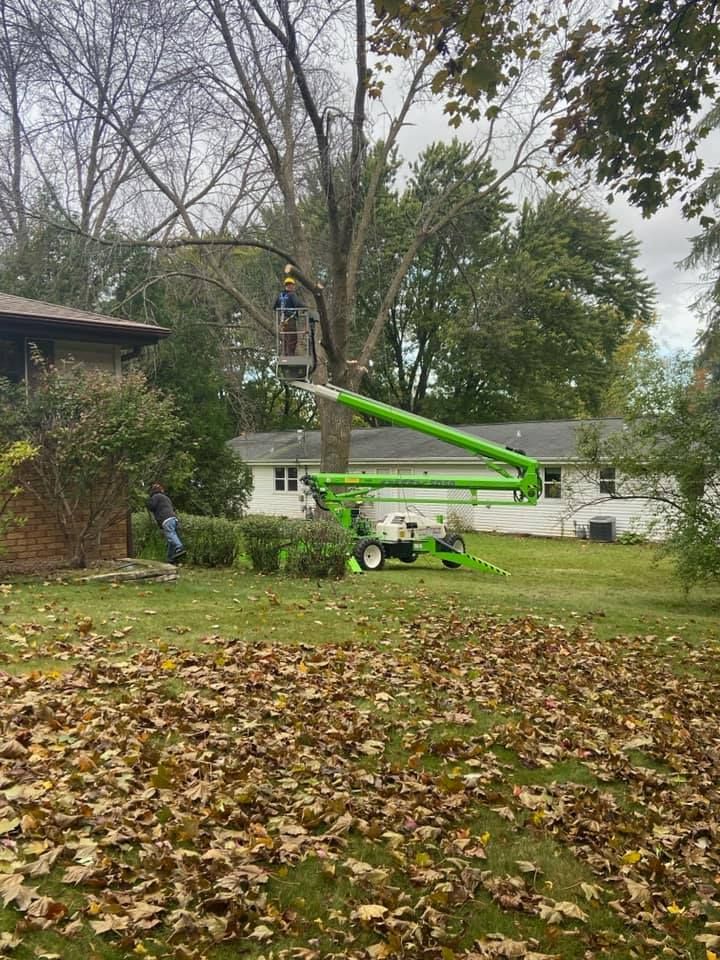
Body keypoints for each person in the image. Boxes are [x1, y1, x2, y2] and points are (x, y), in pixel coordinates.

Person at [147, 483, 186, 564]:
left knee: (171, 535)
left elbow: (152, 507)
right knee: (170, 540)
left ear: (153, 491)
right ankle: (170, 559)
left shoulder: (155, 496)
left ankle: (179, 547)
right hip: (174, 518)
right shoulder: (166, 498)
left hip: (166, 519)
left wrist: (148, 502)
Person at [274, 276, 304, 356]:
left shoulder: (280, 296)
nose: (292, 287)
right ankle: (290, 356)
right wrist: (306, 308)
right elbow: (298, 304)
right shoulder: (292, 295)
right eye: (292, 285)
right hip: (290, 319)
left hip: (282, 320)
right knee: (292, 338)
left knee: (286, 338)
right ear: (291, 285)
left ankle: (285, 355)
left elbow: (275, 307)